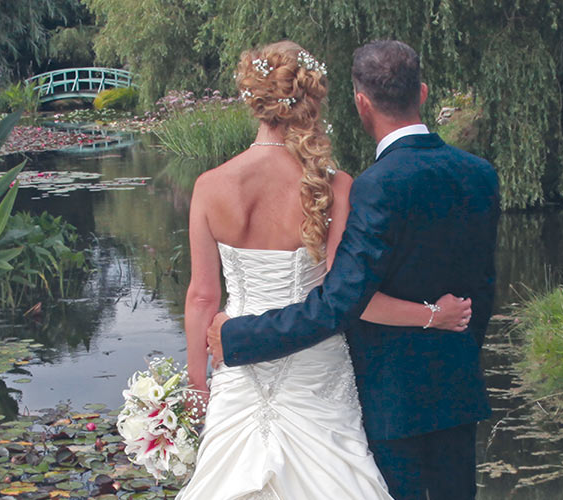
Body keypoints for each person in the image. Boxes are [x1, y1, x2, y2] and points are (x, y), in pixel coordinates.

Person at [180, 40, 474, 500]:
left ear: (253, 100)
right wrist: (433, 314)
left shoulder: (210, 186)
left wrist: (198, 383)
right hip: (316, 372)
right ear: (312, 100)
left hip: (236, 362)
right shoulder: (335, 187)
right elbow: (349, 301)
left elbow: (202, 297)